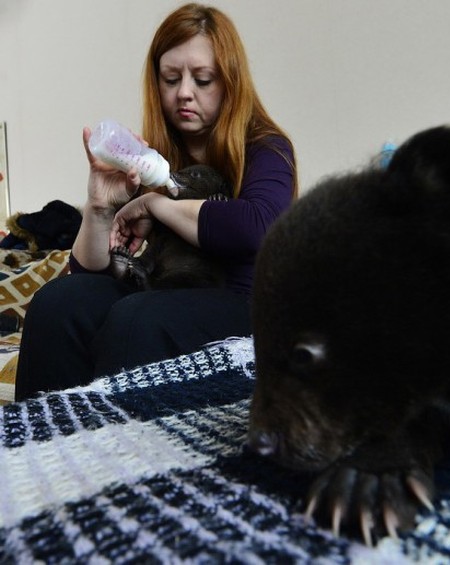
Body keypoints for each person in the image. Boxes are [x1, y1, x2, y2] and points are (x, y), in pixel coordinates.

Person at [15, 3, 296, 401]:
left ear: (230, 82)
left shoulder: (266, 148)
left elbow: (256, 227)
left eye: (203, 79)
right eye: (170, 79)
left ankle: (124, 454)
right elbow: (85, 275)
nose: (184, 93)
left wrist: (155, 205)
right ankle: (43, 447)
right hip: (162, 293)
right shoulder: (148, 158)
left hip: (243, 307)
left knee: (138, 320)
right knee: (57, 304)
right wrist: (98, 208)